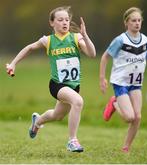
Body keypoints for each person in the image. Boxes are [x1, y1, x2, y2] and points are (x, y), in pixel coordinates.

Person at [6, 6, 96, 152]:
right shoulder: (48, 41)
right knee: (78, 101)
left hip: (73, 86)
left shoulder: (76, 37)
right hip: (57, 85)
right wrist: (13, 64)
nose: (64, 22)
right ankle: (72, 141)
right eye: (60, 20)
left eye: (67, 19)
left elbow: (92, 54)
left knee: (57, 115)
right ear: (52, 23)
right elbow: (29, 48)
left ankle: (37, 121)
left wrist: (85, 35)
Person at [99, 7, 147, 153]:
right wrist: (102, 78)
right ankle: (115, 102)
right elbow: (105, 57)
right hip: (120, 82)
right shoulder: (120, 40)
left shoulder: (146, 41)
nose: (137, 23)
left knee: (137, 117)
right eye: (133, 21)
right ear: (126, 23)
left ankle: (126, 147)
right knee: (129, 117)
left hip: (136, 83)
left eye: (139, 20)